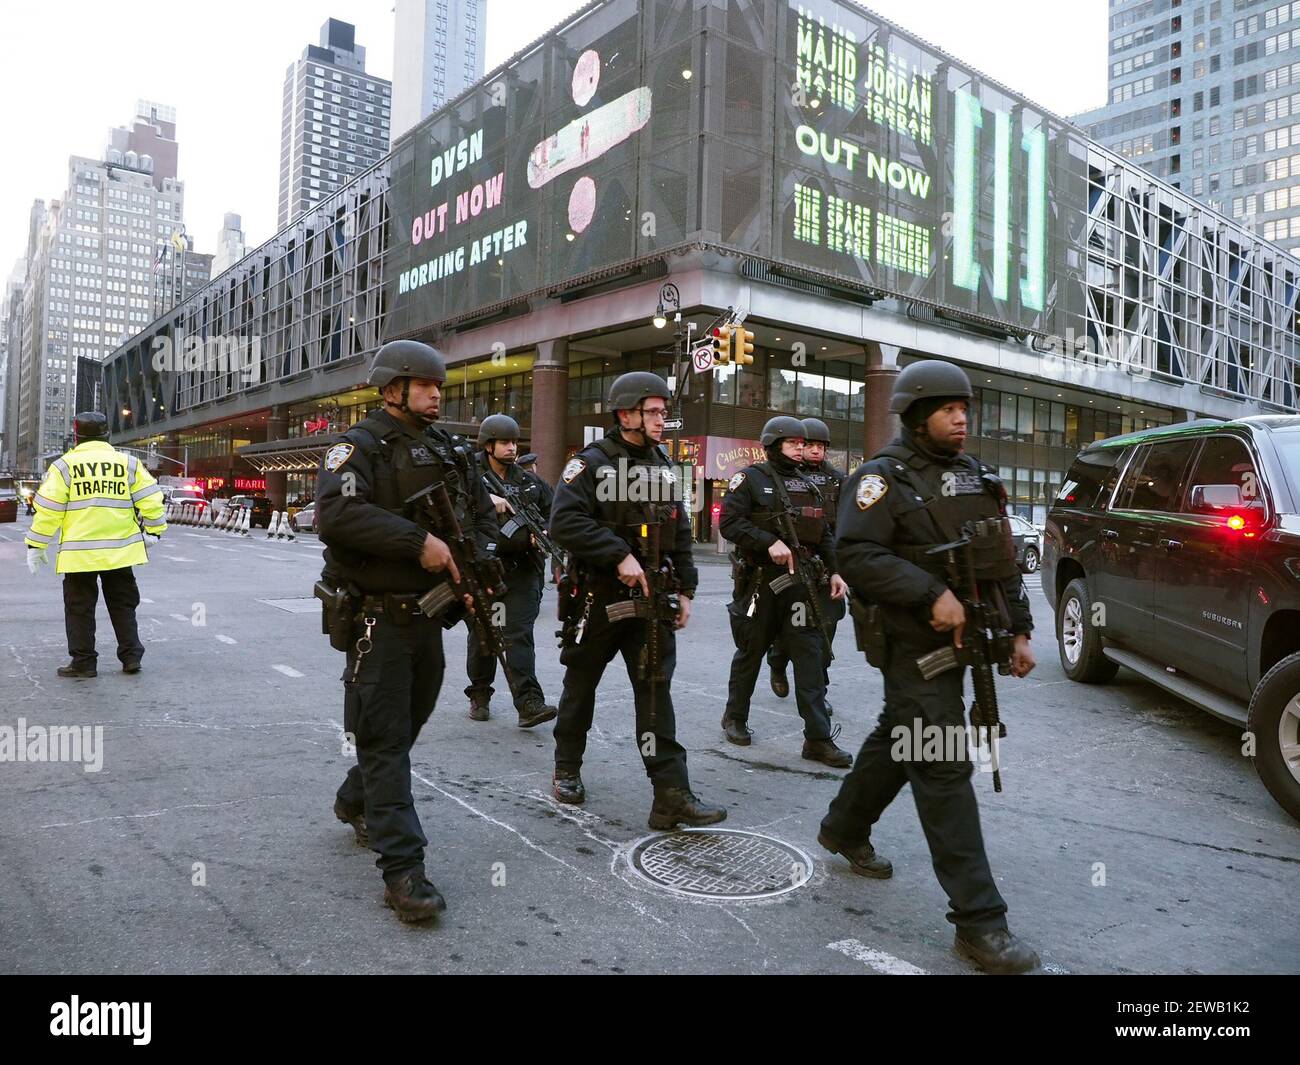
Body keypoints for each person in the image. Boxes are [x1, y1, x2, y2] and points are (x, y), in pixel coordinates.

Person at [818, 359, 1040, 974]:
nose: (962, 418)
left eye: (965, 408)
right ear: (917, 415)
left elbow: (1002, 561)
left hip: (971, 640)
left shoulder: (974, 477)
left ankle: (843, 826)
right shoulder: (879, 481)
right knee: (941, 760)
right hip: (912, 644)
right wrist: (927, 592)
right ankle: (980, 924)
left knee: (901, 734)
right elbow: (856, 553)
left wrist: (1019, 629)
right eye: (948, 409)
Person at [316, 339, 496, 924]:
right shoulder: (358, 446)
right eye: (427, 386)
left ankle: (353, 799)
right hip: (378, 620)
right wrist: (419, 543)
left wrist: (477, 562)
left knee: (405, 728)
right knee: (388, 741)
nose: (437, 394)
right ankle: (403, 871)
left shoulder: (444, 447)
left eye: (439, 387)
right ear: (393, 388)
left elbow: (474, 513)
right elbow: (337, 515)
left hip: (428, 616)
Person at [548, 371, 726, 829]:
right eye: (653, 411)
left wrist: (687, 589)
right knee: (581, 684)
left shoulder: (665, 466)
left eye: (664, 412)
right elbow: (564, 522)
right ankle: (567, 767)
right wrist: (618, 554)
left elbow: (680, 532)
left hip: (652, 598)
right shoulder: (590, 464)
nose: (661, 419)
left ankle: (670, 794)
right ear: (625, 414)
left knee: (654, 693)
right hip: (599, 594)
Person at [718, 416, 852, 767]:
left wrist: (836, 572)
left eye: (802, 444)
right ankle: (735, 718)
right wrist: (769, 542)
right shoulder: (749, 479)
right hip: (763, 582)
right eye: (794, 443)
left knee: (810, 657)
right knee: (750, 652)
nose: (801, 449)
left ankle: (818, 740)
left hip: (802, 584)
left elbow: (823, 533)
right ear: (775, 444)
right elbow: (730, 523)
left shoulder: (810, 484)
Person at [24, 411, 167, 678]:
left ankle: (84, 662)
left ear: (76, 436)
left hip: (80, 555)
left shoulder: (64, 466)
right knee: (123, 604)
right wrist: (155, 531)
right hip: (120, 552)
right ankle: (131, 657)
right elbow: (151, 499)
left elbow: (48, 511)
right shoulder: (128, 463)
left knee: (80, 609)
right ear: (107, 434)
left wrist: (36, 545)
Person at [466, 413, 557, 727]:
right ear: (488, 445)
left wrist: (542, 532)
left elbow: (555, 512)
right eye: (504, 442)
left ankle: (529, 703)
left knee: (518, 635)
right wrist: (485, 500)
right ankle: (479, 693)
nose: (511, 448)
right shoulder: (468, 475)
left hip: (521, 572)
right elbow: (449, 504)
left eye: (514, 442)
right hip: (484, 570)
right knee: (484, 635)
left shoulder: (529, 482)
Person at [767, 416, 847, 712]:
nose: (814, 450)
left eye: (819, 446)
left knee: (825, 632)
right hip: (794, 565)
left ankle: (818, 692)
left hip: (827, 564)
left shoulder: (838, 479)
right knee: (789, 629)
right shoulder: (788, 475)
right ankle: (777, 660)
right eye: (808, 445)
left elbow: (846, 523)